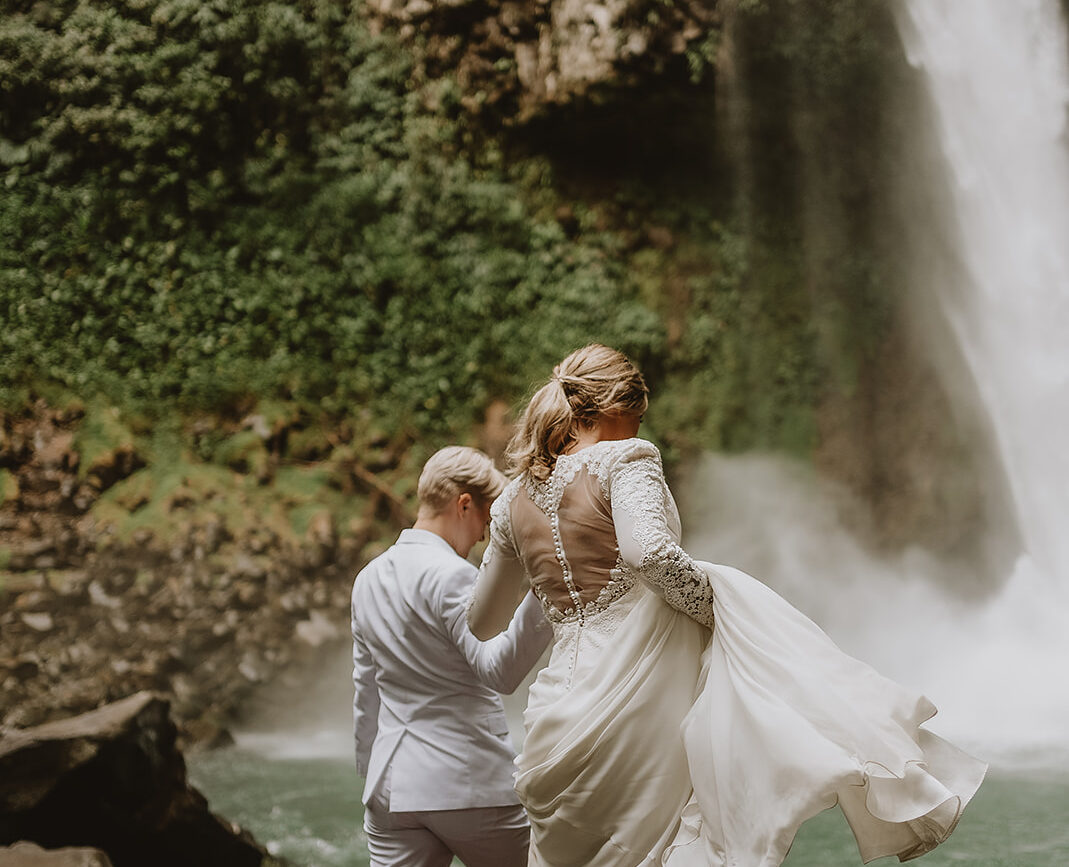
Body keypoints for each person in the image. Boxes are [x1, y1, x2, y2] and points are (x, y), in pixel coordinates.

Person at [468, 344, 986, 867]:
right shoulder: (627, 459)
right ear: (617, 407)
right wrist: (720, 611)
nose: (639, 427)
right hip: (639, 698)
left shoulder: (512, 501)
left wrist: (555, 581)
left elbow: (482, 621)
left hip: (557, 710)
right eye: (639, 416)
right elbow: (647, 554)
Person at [351, 445, 551, 867]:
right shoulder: (452, 574)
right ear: (464, 504)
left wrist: (370, 774)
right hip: (464, 782)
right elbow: (499, 671)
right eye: (485, 518)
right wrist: (547, 591)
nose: (484, 535)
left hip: (390, 789)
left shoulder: (367, 579)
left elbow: (365, 693)